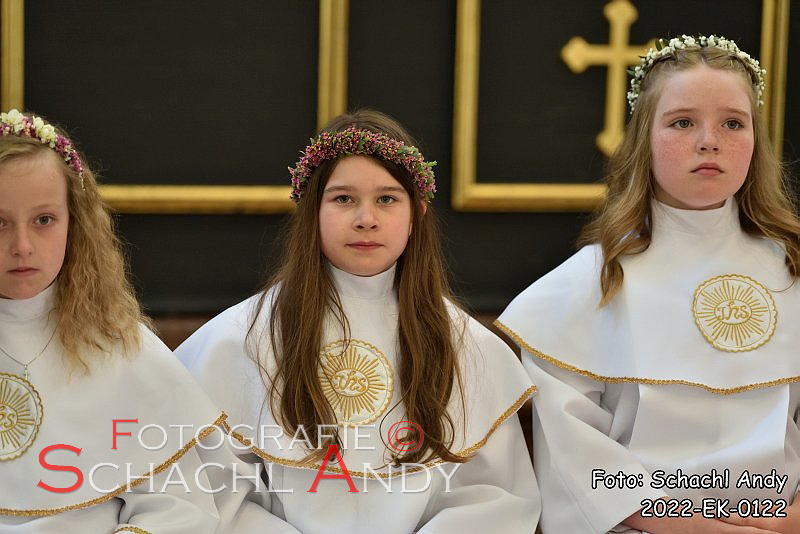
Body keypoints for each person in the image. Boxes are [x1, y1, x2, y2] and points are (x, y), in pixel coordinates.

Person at [177, 109, 540, 533]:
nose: (366, 219)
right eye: (343, 199)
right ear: (312, 211)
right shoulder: (242, 338)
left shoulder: (467, 345)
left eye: (387, 199)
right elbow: (212, 489)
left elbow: (494, 495)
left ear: (416, 213)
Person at [497, 35, 800, 534]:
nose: (710, 141)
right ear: (645, 140)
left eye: (732, 123)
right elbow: (577, 460)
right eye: (683, 122)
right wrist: (698, 527)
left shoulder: (791, 271)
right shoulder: (586, 286)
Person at [0, 109, 267, 533]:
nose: (22, 246)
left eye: (44, 220)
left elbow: (178, 506)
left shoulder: (119, 346)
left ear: (75, 224)